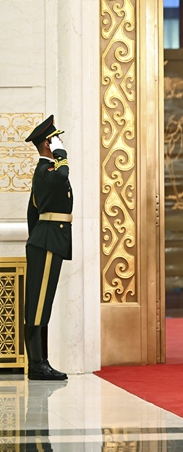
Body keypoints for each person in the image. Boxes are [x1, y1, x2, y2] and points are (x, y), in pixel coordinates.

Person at [23, 115, 71, 381]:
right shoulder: (46, 171)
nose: (60, 142)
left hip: (46, 240)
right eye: (55, 139)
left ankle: (40, 362)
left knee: (43, 303)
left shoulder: (46, 173)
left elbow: (32, 212)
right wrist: (60, 153)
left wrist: (36, 240)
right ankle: (38, 364)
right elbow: (63, 173)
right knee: (38, 305)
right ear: (47, 145)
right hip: (47, 240)